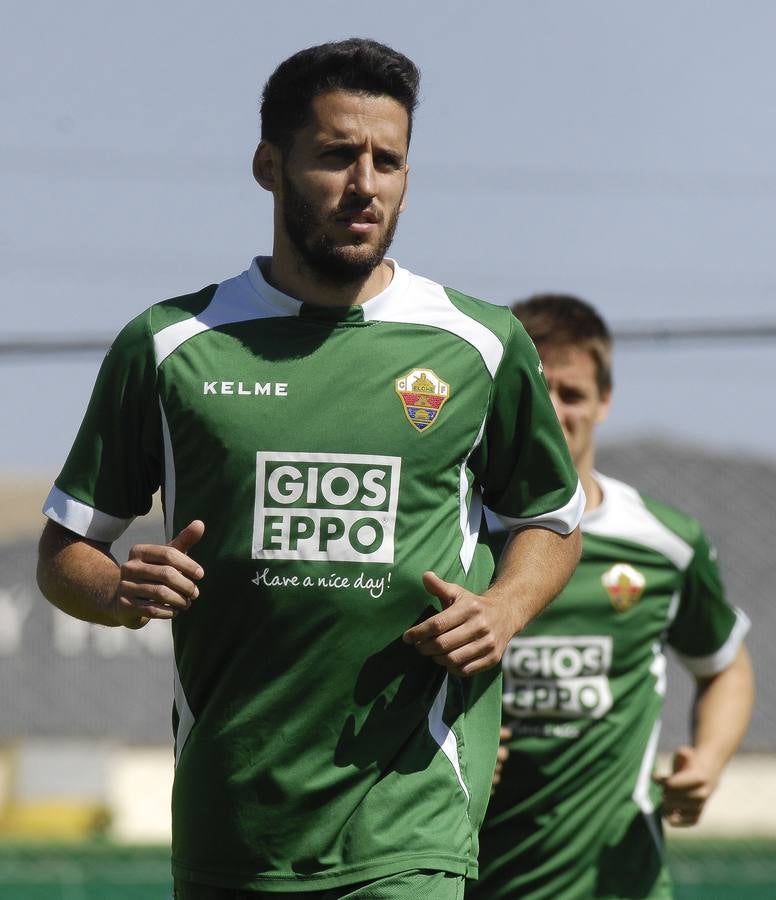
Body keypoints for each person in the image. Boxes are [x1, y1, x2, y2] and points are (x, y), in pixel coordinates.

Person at [36, 40, 584, 899]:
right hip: (234, 824)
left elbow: (550, 519)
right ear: (269, 165)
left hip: (410, 822)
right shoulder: (171, 345)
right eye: (336, 155)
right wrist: (116, 590)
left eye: (388, 160)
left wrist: (504, 608)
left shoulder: (478, 344)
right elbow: (65, 552)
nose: (365, 184)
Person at [473, 294, 755, 899]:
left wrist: (706, 762)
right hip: (465, 878)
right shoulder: (451, 536)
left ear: (604, 403)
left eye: (572, 393)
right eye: (537, 388)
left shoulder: (662, 543)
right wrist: (452, 737)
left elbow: (724, 665)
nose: (554, 409)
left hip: (619, 884)